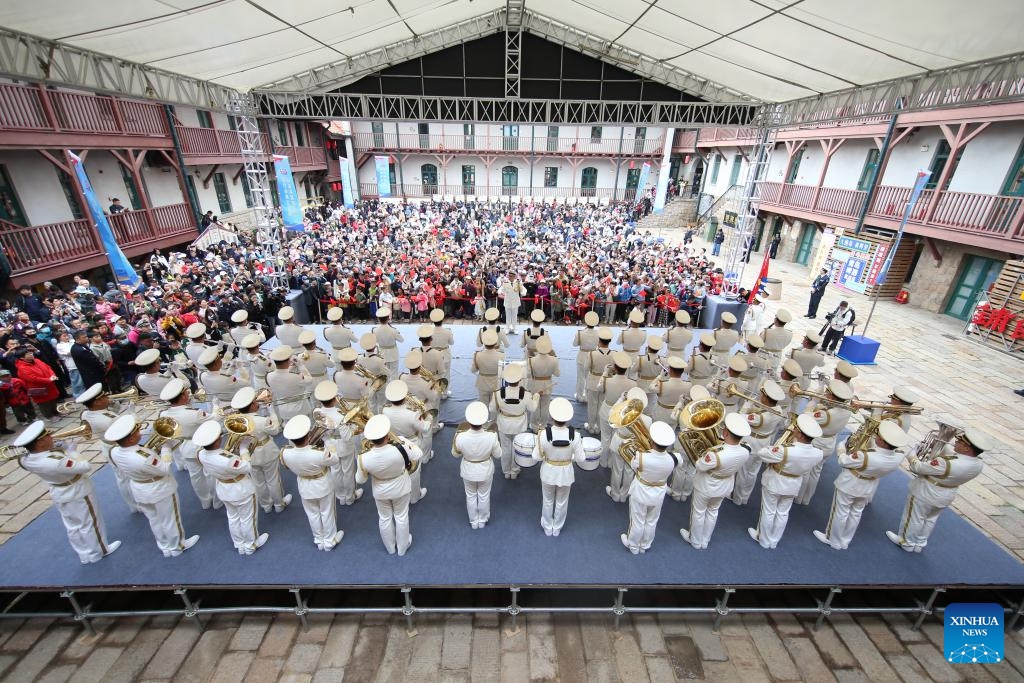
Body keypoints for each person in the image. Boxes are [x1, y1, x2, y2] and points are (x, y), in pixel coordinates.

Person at [12, 420, 121, 564]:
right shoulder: (56, 460)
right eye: (47, 437)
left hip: (58, 491)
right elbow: (84, 466)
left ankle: (84, 554)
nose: (51, 437)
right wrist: (72, 451)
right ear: (39, 444)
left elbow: (37, 458)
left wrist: (56, 450)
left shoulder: (26, 460)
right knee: (90, 522)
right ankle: (100, 551)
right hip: (77, 490)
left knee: (73, 525)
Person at [106, 414, 200, 557]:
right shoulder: (143, 457)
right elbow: (164, 469)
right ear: (131, 438)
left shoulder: (113, 451)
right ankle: (177, 545)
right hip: (159, 488)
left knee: (154, 519)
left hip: (139, 488)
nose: (140, 433)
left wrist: (152, 452)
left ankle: (164, 545)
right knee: (170, 518)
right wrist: (166, 449)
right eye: (137, 431)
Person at [887, 427, 991, 553]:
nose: (956, 442)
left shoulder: (946, 462)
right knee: (930, 519)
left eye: (960, 442)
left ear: (966, 448)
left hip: (926, 492)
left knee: (914, 517)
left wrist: (912, 456)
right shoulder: (978, 464)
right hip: (948, 494)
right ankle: (919, 543)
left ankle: (906, 542)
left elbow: (918, 468)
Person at [814, 420, 909, 550]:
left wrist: (842, 448)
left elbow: (843, 461)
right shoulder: (899, 456)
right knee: (856, 513)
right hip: (868, 486)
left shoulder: (864, 456)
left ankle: (832, 538)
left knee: (840, 512)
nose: (876, 437)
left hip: (850, 484)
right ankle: (845, 540)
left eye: (879, 437)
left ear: (884, 442)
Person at [748, 413, 823, 549]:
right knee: (783, 513)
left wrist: (775, 446)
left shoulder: (785, 450)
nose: (793, 430)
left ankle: (763, 539)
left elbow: (763, 453)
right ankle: (774, 540)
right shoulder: (818, 453)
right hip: (794, 484)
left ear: (800, 435)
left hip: (776, 481)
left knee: (769, 511)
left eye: (796, 430)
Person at [194, 421, 269, 555]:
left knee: (233, 517)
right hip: (241, 489)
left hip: (223, 488)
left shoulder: (201, 454)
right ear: (216, 440)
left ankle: (239, 544)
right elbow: (246, 467)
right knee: (247, 518)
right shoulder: (228, 459)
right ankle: (251, 544)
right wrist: (244, 449)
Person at [680, 413, 751, 550]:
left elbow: (700, 466)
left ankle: (694, 540)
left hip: (707, 485)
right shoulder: (745, 450)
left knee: (699, 512)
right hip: (725, 486)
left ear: (725, 432)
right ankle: (705, 540)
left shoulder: (715, 454)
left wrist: (704, 454)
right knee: (713, 511)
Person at [357, 414, 422, 556]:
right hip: (401, 487)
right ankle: (402, 548)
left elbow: (360, 480)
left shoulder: (363, 457)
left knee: (384, 518)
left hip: (380, 491)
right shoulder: (401, 446)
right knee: (401, 516)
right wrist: (405, 441)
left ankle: (390, 548)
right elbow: (418, 454)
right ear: (387, 434)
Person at [280, 415, 344, 551]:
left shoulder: (285, 452)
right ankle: (329, 539)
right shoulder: (319, 453)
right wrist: (328, 441)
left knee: (312, 514)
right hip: (322, 485)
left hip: (304, 486)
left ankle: (319, 539)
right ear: (309, 435)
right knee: (327, 512)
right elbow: (335, 460)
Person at [77, 383, 139, 513]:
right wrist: (132, 411)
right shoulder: (107, 420)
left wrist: (113, 405)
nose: (107, 398)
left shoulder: (86, 414)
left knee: (121, 477)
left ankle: (133, 504)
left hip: (106, 445)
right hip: (118, 446)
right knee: (126, 477)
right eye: (104, 397)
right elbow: (130, 426)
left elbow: (111, 414)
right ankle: (135, 505)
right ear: (97, 402)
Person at [620, 420, 677, 554]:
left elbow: (633, 466)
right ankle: (645, 545)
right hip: (659, 493)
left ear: (651, 441)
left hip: (641, 491)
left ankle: (633, 545)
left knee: (637, 520)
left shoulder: (641, 457)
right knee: (652, 520)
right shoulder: (674, 458)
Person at [159, 378, 219, 507]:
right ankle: (216, 500)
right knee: (210, 473)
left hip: (185, 446)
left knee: (196, 476)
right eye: (186, 393)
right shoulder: (194, 413)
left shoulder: (163, 413)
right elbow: (215, 418)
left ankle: (205, 501)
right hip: (203, 444)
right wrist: (216, 405)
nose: (188, 394)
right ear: (181, 396)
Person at [531, 397, 586, 537]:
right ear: (568, 418)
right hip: (566, 473)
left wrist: (547, 456)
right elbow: (581, 458)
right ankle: (557, 528)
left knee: (547, 500)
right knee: (562, 501)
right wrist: (569, 458)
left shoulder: (543, 434)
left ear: (551, 416)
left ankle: (547, 526)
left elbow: (535, 457)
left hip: (548, 471)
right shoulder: (576, 435)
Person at [452, 402, 502, 529]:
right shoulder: (492, 436)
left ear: (468, 420)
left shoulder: (460, 436)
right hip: (485, 470)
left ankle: (473, 521)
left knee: (470, 496)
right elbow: (498, 455)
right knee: (484, 495)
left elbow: (455, 454)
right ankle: (483, 519)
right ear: (484, 420)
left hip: (468, 470)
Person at [490, 364, 537, 479]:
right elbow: (532, 409)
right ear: (520, 379)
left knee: (505, 448)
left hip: (503, 424)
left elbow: (491, 409)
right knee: (516, 447)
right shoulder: (526, 394)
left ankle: (506, 471)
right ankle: (515, 471)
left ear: (505, 379)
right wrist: (536, 397)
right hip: (520, 425)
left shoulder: (497, 394)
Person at [572, 311, 600, 402]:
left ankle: (579, 396)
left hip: (582, 356)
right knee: (590, 377)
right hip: (593, 356)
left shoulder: (580, 333)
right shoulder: (598, 333)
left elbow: (574, 344)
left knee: (580, 377)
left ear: (586, 322)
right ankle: (588, 396)